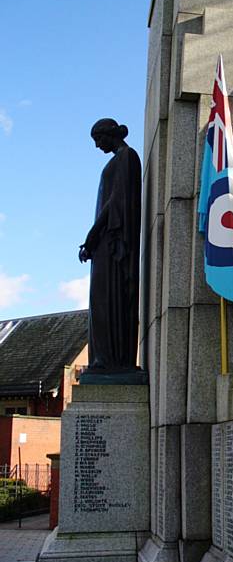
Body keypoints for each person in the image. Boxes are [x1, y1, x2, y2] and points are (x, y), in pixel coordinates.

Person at [79, 118, 141, 376]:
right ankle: (103, 359)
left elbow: (117, 201)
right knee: (99, 300)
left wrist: (92, 235)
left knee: (107, 298)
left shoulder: (127, 157)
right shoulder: (118, 159)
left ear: (111, 134)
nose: (97, 146)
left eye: (99, 139)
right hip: (105, 241)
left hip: (113, 240)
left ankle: (112, 360)